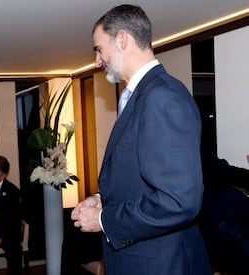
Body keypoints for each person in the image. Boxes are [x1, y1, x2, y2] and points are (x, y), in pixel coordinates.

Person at [71, 4, 211, 275]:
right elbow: (141, 178)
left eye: (99, 49)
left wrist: (103, 219)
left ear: (122, 39)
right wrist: (103, 199)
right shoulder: (142, 95)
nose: (97, 61)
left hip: (161, 264)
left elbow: (177, 200)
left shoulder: (161, 97)